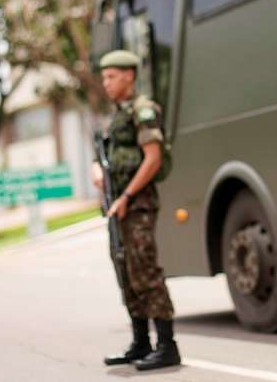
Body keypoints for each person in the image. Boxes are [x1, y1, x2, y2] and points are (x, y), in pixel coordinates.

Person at [93, 50, 181, 371]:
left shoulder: (143, 110)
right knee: (126, 271)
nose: (106, 83)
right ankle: (140, 341)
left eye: (112, 76)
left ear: (129, 76)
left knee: (145, 271)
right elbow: (109, 157)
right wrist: (97, 170)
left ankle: (167, 346)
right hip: (118, 206)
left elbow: (153, 157)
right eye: (104, 77)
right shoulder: (117, 115)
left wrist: (127, 196)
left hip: (137, 204)